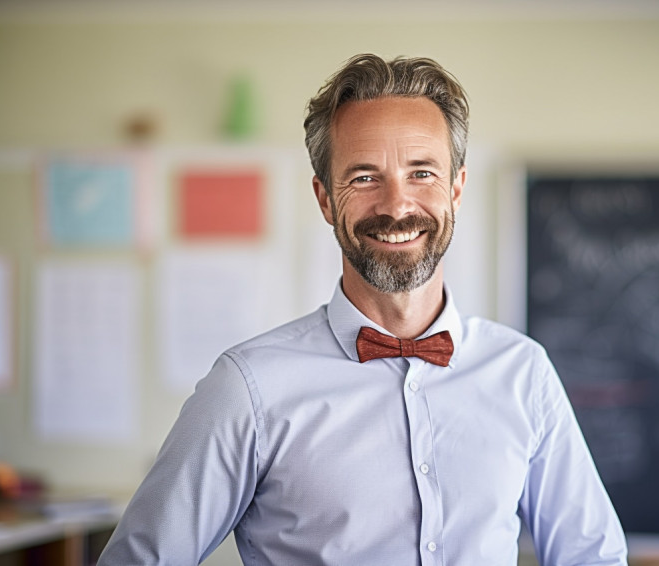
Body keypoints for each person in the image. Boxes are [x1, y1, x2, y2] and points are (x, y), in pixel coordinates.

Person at [98, 53, 627, 566]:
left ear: (457, 189)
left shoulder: (524, 373)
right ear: (326, 198)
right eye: (365, 177)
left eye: (422, 173)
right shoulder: (247, 389)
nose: (397, 206)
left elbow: (592, 556)